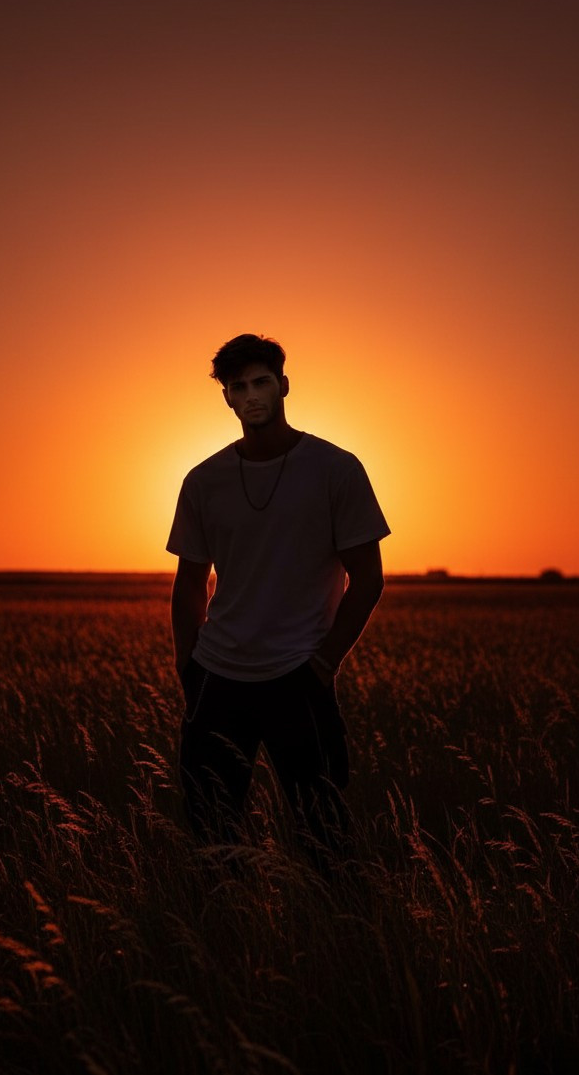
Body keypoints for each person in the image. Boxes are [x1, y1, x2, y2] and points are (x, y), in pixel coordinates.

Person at [166, 334, 390, 864]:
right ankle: (227, 941)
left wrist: (323, 663)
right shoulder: (203, 481)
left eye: (261, 381)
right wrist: (189, 669)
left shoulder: (336, 468)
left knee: (326, 841)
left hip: (299, 678)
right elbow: (190, 582)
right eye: (237, 386)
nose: (250, 395)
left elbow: (369, 579)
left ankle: (338, 940)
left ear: (283, 385)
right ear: (226, 397)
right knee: (211, 840)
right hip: (217, 679)